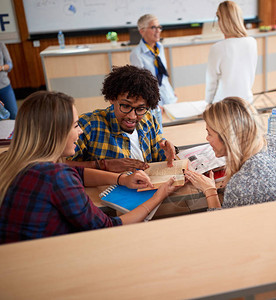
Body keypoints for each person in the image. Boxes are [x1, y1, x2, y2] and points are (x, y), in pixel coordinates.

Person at [0, 91, 177, 244]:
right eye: (76, 125)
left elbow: (80, 173)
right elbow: (108, 227)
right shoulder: (56, 176)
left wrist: (121, 179)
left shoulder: (7, 159)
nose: (81, 131)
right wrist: (159, 196)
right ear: (57, 133)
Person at [183, 97, 276, 210]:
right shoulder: (274, 141)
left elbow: (224, 229)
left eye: (209, 133)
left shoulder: (241, 184)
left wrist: (210, 191)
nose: (207, 139)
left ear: (227, 138)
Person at [65, 65, 176, 172]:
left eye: (140, 109)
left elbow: (158, 157)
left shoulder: (148, 119)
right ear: (112, 98)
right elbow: (58, 166)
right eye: (126, 106)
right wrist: (103, 165)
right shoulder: (89, 125)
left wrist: (168, 152)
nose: (132, 116)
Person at [205, 1, 257, 104]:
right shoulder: (252, 42)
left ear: (222, 20)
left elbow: (211, 83)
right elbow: (250, 75)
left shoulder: (217, 48)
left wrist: (208, 104)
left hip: (223, 105)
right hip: (246, 101)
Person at [130, 14, 177, 128]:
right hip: (155, 103)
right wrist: (154, 105)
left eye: (159, 27)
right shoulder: (137, 54)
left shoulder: (160, 47)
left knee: (177, 128)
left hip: (169, 97)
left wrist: (171, 91)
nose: (158, 31)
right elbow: (140, 85)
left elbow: (162, 74)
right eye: (153, 28)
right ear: (142, 31)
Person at [0, 42, 17, 119]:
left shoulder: (0, 44)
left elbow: (9, 65)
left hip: (5, 86)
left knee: (14, 114)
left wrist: (1, 68)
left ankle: (17, 131)